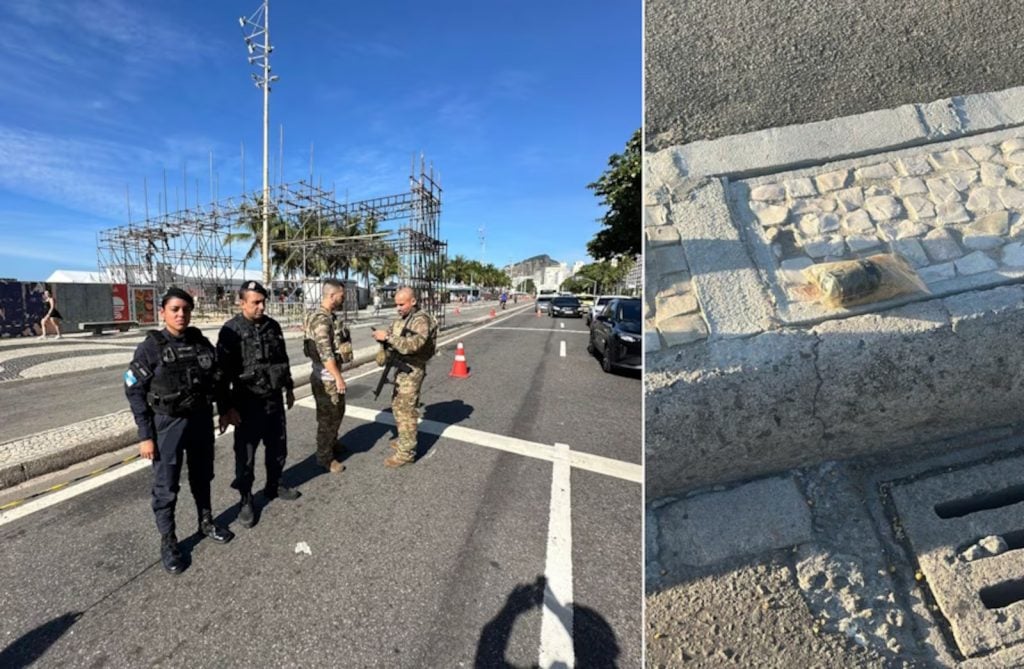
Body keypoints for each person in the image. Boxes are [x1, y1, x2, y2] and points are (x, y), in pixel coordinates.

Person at [124, 287, 233, 575]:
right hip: (167, 425)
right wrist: (145, 435)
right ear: (163, 312)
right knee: (166, 485)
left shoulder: (200, 342)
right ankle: (169, 540)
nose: (181, 314)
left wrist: (225, 409)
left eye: (185, 309)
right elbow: (134, 390)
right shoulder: (150, 347)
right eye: (175, 309)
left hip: (199, 421)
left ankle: (206, 521)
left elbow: (217, 378)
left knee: (202, 475)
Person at [216, 281, 299, 529]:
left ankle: (274, 485)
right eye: (256, 302)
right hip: (246, 404)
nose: (262, 307)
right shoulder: (230, 331)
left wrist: (289, 388)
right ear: (242, 303)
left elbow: (282, 359)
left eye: (264, 302)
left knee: (277, 448)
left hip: (273, 400)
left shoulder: (272, 326)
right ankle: (245, 499)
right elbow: (221, 375)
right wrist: (226, 409)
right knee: (246, 457)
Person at [371, 286, 438, 467]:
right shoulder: (404, 318)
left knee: (407, 411)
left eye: (402, 304)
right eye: (396, 304)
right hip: (401, 369)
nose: (398, 308)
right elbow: (394, 337)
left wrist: (388, 338)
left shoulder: (420, 320)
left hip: (412, 370)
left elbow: (414, 345)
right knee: (397, 406)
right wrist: (382, 340)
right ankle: (404, 440)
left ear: (413, 301)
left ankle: (407, 453)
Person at [303, 279, 352, 473]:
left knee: (337, 413)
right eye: (341, 295)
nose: (343, 298)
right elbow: (325, 353)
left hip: (329, 376)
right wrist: (338, 377)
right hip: (326, 379)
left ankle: (332, 442)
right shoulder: (321, 320)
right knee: (327, 420)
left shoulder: (329, 316)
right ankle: (324, 457)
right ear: (332, 296)